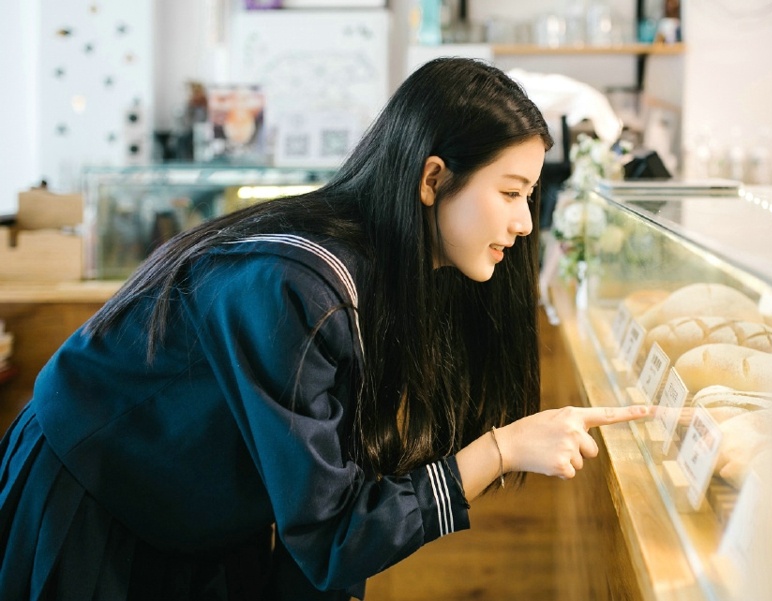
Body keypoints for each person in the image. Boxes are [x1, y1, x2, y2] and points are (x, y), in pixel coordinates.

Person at [0, 57, 651, 600]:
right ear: (432, 178)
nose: (525, 223)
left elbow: (326, 521)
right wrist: (501, 449)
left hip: (193, 508)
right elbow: (333, 535)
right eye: (510, 193)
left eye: (530, 197)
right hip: (93, 494)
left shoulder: (396, 276)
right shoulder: (301, 290)